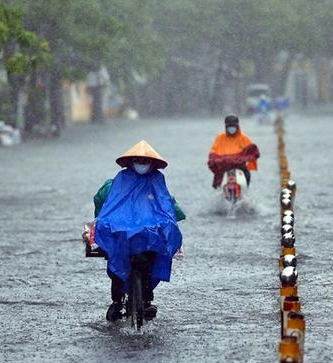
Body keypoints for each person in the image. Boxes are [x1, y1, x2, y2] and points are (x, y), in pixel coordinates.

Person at [93, 140, 185, 321]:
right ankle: (117, 301)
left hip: (147, 238)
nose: (141, 165)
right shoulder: (116, 183)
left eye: (145, 161)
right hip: (122, 234)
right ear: (131, 161)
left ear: (152, 164)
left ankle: (146, 299)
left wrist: (172, 223)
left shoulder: (157, 182)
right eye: (138, 160)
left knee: (148, 262)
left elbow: (167, 205)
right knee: (117, 262)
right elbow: (104, 206)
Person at [207, 114, 260, 189]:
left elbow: (253, 151)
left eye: (233, 126)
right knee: (218, 181)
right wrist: (214, 160)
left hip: (240, 168)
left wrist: (245, 158)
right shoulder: (220, 138)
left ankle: (245, 190)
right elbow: (213, 152)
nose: (231, 129)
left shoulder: (243, 138)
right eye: (229, 127)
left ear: (237, 126)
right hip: (224, 168)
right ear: (226, 127)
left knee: (247, 175)